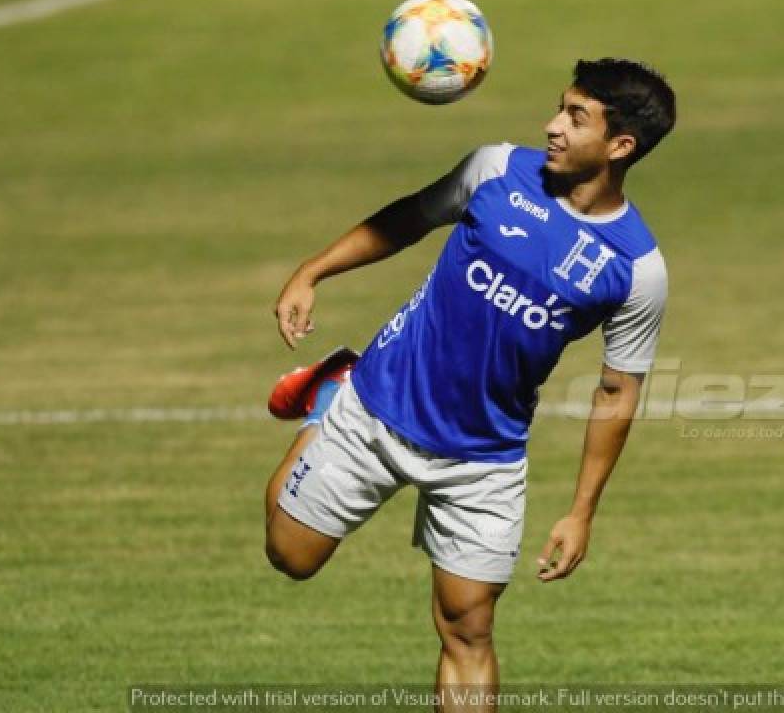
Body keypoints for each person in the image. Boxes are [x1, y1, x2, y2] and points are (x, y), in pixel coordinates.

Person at [263, 58, 675, 710]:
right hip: (375, 407)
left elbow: (617, 392)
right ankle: (328, 391)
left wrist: (581, 511)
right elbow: (408, 219)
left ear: (621, 146)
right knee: (291, 555)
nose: (552, 126)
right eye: (558, 107)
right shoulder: (496, 171)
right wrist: (311, 273)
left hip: (482, 461)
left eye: (575, 117)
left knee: (468, 629)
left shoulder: (637, 270)